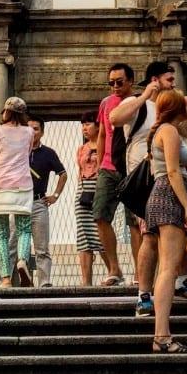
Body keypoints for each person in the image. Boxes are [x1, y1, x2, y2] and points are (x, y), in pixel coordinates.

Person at [110, 61, 187, 316]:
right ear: (155, 80)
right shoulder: (140, 104)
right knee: (150, 237)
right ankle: (144, 295)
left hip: (175, 179)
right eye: (169, 79)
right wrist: (146, 96)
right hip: (147, 181)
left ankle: (181, 280)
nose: (174, 83)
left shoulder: (173, 108)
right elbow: (114, 119)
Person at [145, 89, 187, 354]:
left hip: (162, 194)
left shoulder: (161, 130)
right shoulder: (168, 131)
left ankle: (162, 333)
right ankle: (162, 335)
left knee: (174, 262)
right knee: (168, 267)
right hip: (169, 194)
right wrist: (186, 206)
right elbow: (172, 170)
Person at [93, 62, 139, 285]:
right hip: (109, 167)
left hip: (132, 168)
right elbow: (102, 134)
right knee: (100, 215)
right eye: (111, 83)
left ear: (131, 80)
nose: (115, 87)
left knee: (135, 222)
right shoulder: (106, 103)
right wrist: (101, 163)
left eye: (119, 82)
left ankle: (141, 272)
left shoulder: (141, 103)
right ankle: (114, 269)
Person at [0, 96, 34, 287]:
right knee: (24, 229)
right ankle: (22, 260)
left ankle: (5, 278)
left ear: (6, 111)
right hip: (23, 185)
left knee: (2, 233)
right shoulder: (29, 132)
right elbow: (27, 153)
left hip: (0, 186)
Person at [25, 117, 66, 287]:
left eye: (35, 129)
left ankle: (44, 282)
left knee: (41, 247)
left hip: (38, 202)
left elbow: (63, 174)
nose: (31, 132)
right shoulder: (17, 150)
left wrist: (55, 195)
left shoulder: (48, 153)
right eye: (28, 128)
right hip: (18, 202)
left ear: (42, 132)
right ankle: (12, 282)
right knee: (13, 243)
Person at [75, 111, 110, 285]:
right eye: (83, 125)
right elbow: (78, 172)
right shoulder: (82, 149)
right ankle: (86, 281)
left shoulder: (105, 146)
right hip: (83, 193)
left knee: (100, 235)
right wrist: (79, 191)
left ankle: (112, 272)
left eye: (88, 124)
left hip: (99, 190)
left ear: (98, 126)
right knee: (84, 238)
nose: (85, 128)